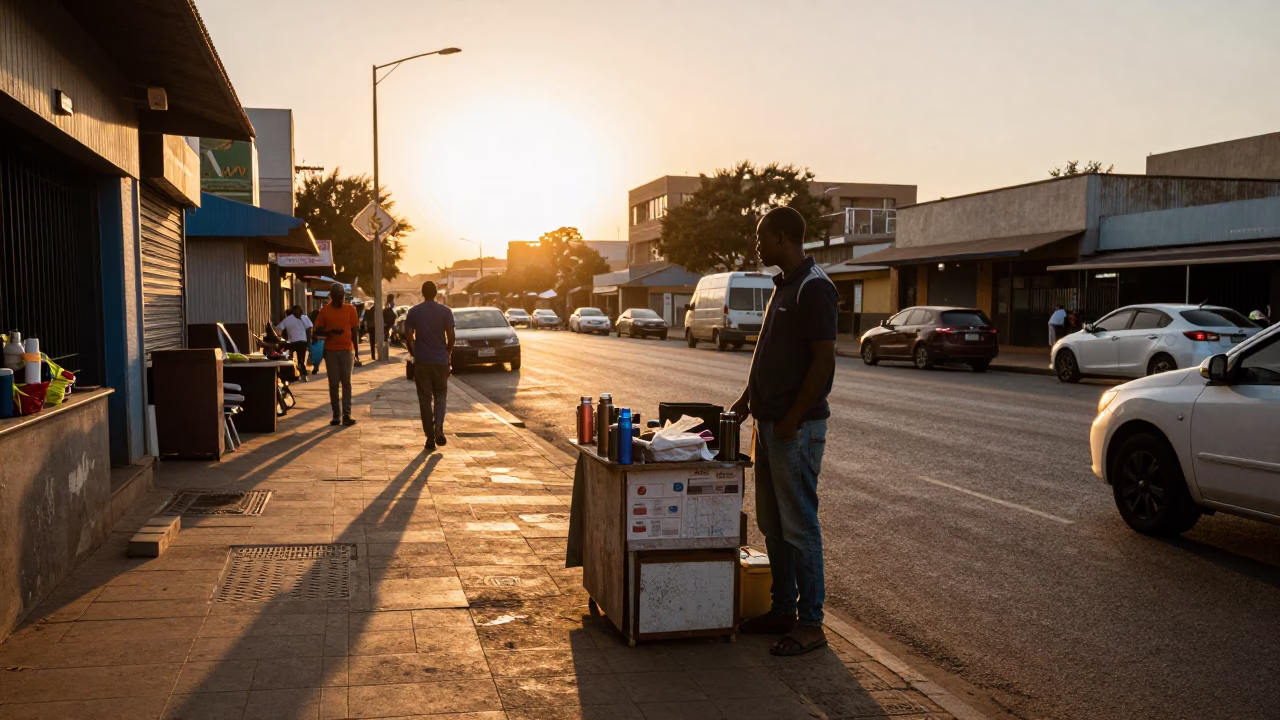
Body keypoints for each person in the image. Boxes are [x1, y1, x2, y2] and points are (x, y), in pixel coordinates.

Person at [730, 205, 837, 657]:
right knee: (773, 526)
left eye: (761, 235)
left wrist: (792, 420)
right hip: (769, 425)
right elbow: (770, 359)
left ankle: (811, 623)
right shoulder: (784, 285)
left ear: (781, 236)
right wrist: (746, 401)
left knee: (799, 527)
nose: (756, 244)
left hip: (796, 430)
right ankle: (782, 610)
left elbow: (823, 363)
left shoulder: (815, 289)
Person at [403, 281, 455, 452]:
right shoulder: (446, 312)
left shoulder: (414, 312)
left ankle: (430, 438)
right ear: (436, 293)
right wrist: (447, 353)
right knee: (440, 395)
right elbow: (451, 335)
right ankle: (438, 425)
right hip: (440, 361)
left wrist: (413, 351)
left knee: (425, 400)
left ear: (422, 293)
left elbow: (408, 335)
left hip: (422, 362)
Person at [314, 283, 361, 426]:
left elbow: (355, 332)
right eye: (336, 296)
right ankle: (336, 415)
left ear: (343, 296)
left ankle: (347, 414)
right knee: (334, 384)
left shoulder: (350, 310)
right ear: (331, 296)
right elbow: (317, 331)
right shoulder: (324, 311)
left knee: (346, 383)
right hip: (331, 351)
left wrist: (357, 353)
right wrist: (331, 332)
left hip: (347, 350)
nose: (339, 299)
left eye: (341, 296)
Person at [275, 305, 313, 381]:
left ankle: (293, 374)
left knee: (290, 358)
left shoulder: (288, 319)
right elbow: (310, 326)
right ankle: (302, 375)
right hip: (302, 341)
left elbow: (278, 328)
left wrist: (280, 335)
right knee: (301, 359)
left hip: (292, 342)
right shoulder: (304, 317)